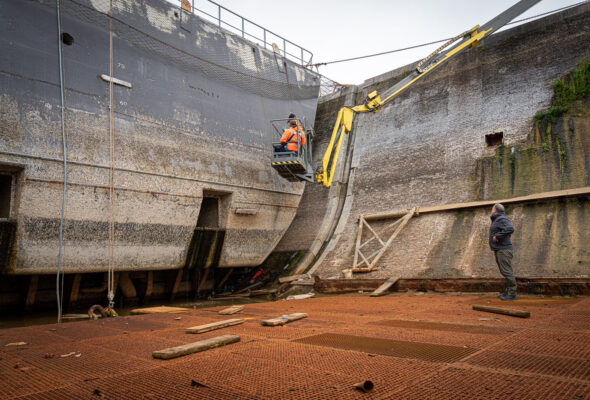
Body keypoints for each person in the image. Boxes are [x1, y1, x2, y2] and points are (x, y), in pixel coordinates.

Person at [489, 203, 517, 300]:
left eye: (492, 209)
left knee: (507, 271)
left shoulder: (501, 218)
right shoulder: (498, 219)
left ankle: (512, 294)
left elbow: (510, 228)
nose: (491, 210)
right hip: (500, 249)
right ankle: (508, 292)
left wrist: (497, 236)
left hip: (504, 249)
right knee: (505, 271)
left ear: (495, 210)